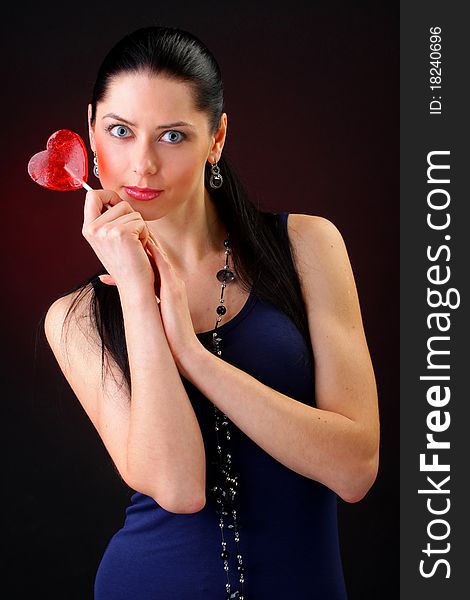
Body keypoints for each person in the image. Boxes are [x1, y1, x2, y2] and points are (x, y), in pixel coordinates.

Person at [43, 25, 379, 600]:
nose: (142, 165)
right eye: (121, 131)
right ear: (92, 128)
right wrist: (134, 291)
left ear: (216, 138)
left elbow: (354, 469)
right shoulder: (74, 317)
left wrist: (195, 357)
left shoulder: (307, 247)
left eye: (172, 136)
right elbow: (178, 488)